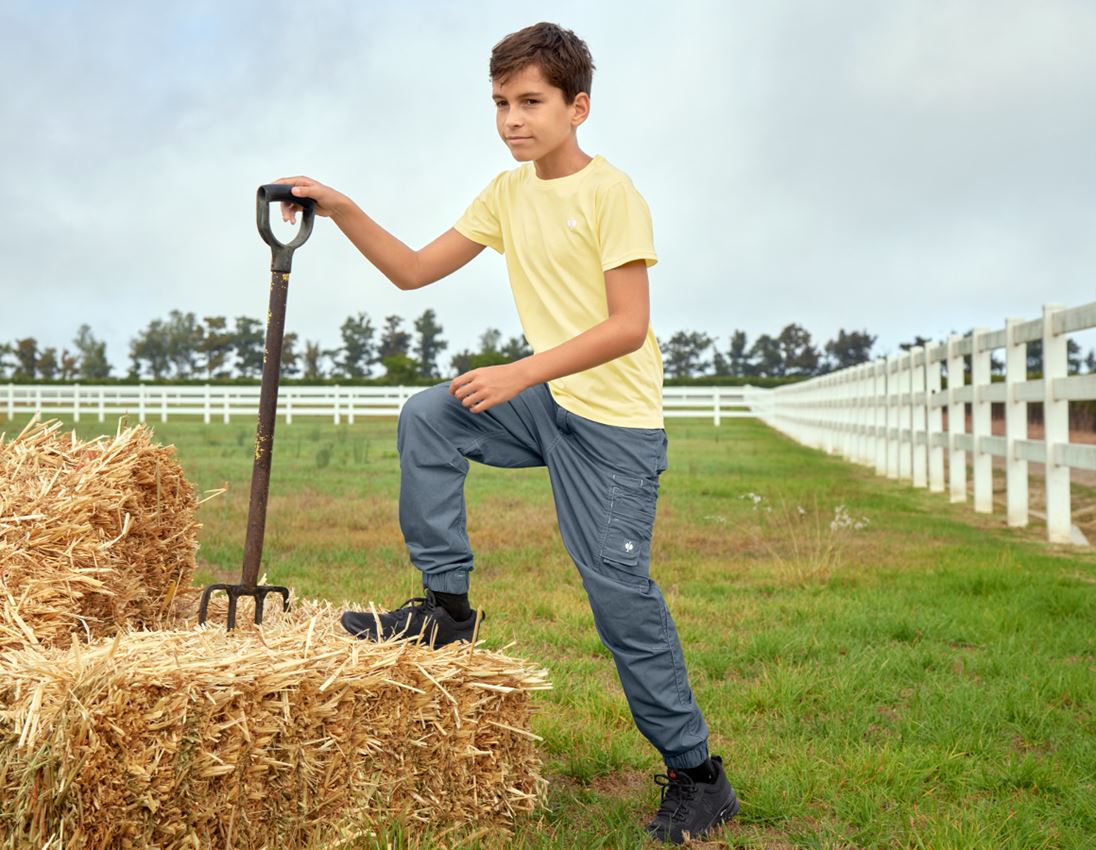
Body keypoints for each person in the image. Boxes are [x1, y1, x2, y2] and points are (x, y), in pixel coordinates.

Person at [275, 21, 738, 845]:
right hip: (551, 400)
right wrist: (340, 205)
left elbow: (629, 325)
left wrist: (523, 371)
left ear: (577, 107)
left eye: (530, 102)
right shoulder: (505, 191)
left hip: (614, 426)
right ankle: (446, 608)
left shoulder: (611, 193)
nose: (512, 119)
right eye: (500, 103)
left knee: (619, 599)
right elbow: (413, 270)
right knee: (431, 413)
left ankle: (698, 775)